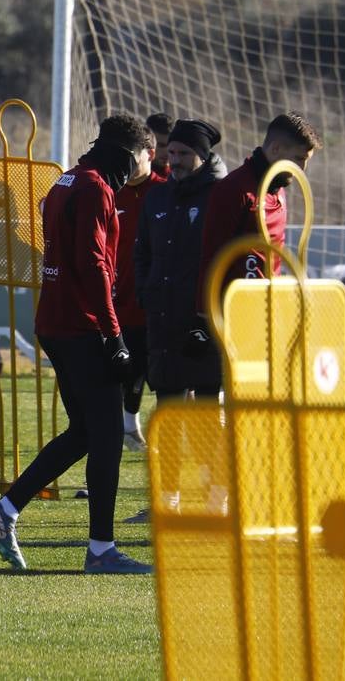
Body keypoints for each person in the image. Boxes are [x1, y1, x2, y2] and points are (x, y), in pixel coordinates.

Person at [0, 114, 153, 574]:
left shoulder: (67, 181)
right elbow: (94, 265)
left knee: (85, 432)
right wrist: (113, 335)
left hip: (57, 321)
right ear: (127, 153)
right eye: (141, 156)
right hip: (82, 326)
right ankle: (101, 550)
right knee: (108, 438)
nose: (142, 166)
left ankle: (5, 511)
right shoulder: (95, 187)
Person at [125, 118, 228, 523]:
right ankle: (166, 502)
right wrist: (150, 296)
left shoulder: (221, 196)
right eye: (173, 153)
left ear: (204, 156)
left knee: (206, 419)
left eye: (185, 153)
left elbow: (229, 259)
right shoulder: (158, 198)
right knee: (166, 417)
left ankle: (216, 501)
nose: (176, 160)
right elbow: (142, 253)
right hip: (163, 324)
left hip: (206, 327)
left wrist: (210, 315)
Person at [195, 112, 321, 343]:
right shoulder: (234, 189)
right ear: (275, 149)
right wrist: (205, 317)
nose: (302, 169)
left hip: (265, 309)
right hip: (233, 313)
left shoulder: (278, 189)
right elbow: (211, 254)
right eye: (298, 159)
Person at [113, 123, 166, 450]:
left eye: (133, 158)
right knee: (124, 375)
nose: (127, 167)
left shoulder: (166, 192)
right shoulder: (108, 190)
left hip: (156, 304)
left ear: (151, 154)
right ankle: (125, 428)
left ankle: (169, 448)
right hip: (118, 304)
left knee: (164, 379)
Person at [146, 112, 173, 177]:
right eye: (161, 145)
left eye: (170, 145)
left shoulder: (180, 178)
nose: (167, 151)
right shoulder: (132, 178)